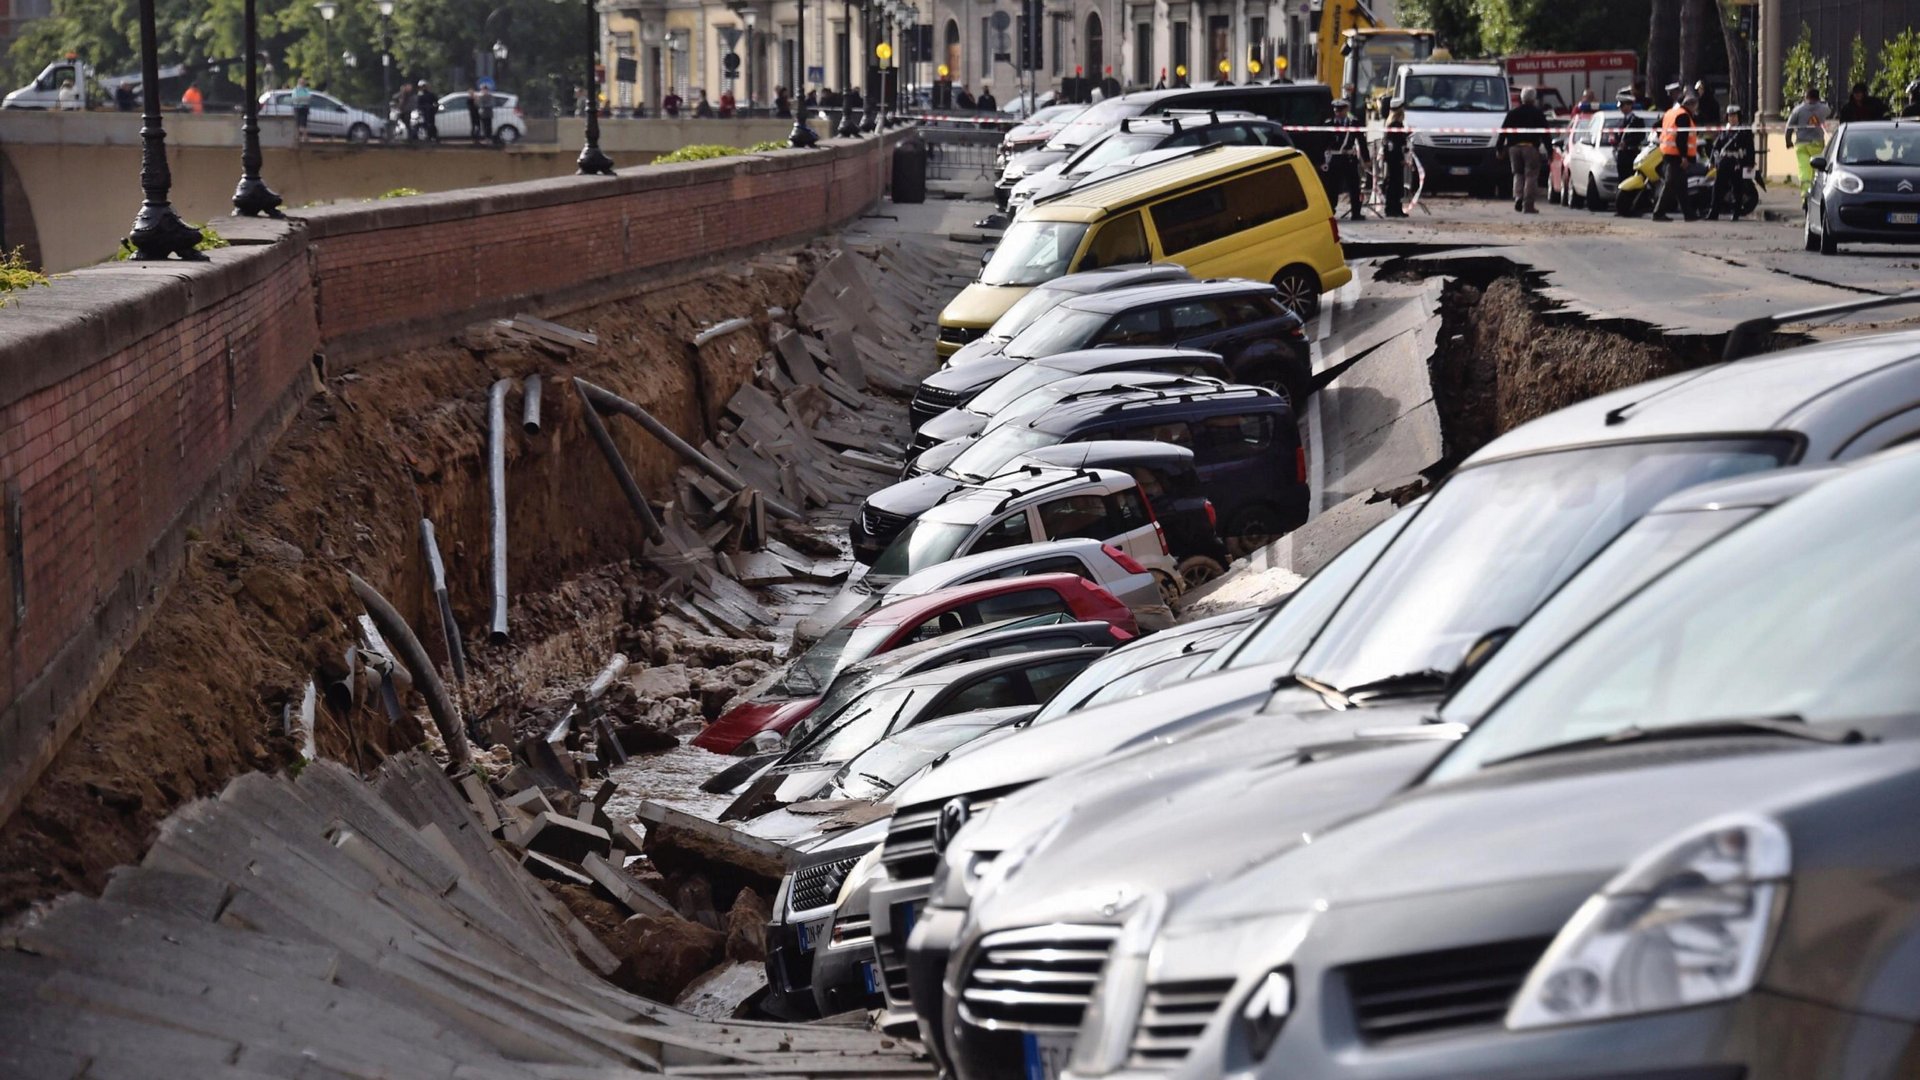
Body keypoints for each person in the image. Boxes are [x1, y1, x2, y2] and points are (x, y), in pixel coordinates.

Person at [1499, 86, 1549, 213]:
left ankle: (1518, 197)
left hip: (1514, 148)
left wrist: (1499, 148)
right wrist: (1550, 151)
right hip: (1530, 148)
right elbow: (1545, 134)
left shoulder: (1512, 113)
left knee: (1518, 174)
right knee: (1531, 176)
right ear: (1534, 99)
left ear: (1521, 98)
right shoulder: (1538, 114)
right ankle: (1528, 205)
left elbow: (1503, 132)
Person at [1653, 88, 1698, 221]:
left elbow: (1656, 126)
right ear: (1690, 104)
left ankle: (1688, 214)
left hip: (1668, 153)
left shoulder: (1670, 113)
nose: (1695, 109)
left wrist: (1663, 139)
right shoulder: (1684, 116)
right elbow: (1681, 139)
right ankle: (1658, 212)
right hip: (1676, 156)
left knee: (1681, 185)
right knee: (1671, 184)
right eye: (1695, 105)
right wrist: (1684, 157)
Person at [1706, 102, 1756, 221]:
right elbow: (1716, 146)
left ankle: (1736, 212)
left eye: (1734, 116)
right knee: (1718, 187)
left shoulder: (1744, 131)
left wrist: (1750, 163)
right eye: (1729, 116)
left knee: (1737, 188)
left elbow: (1750, 148)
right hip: (1724, 162)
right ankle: (1713, 212)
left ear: (1738, 116)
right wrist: (1712, 161)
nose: (1732, 118)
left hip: (1737, 163)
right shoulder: (1724, 131)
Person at [1324, 97, 1368, 220]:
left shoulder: (1353, 123)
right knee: (1332, 187)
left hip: (1349, 158)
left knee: (1354, 187)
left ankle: (1356, 212)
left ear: (1346, 109)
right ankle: (1330, 211)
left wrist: (1366, 159)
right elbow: (1323, 142)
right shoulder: (1329, 123)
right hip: (1335, 159)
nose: (1338, 112)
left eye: (1340, 110)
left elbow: (1361, 141)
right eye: (1336, 110)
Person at [1785, 87, 1830, 204]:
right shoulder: (1824, 109)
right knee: (1817, 170)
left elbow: (1789, 127)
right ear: (1818, 97)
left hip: (1802, 144)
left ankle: (1805, 194)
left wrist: (1788, 141)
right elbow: (1830, 113)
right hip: (1817, 144)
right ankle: (1817, 194)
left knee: (1804, 169)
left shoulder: (1798, 110)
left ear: (1806, 97)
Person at [1612, 86, 1650, 183]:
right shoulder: (1620, 122)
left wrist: (1627, 143)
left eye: (1622, 105)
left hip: (1631, 156)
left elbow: (1640, 136)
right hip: (1621, 158)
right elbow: (1617, 137)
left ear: (1629, 105)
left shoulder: (1637, 121)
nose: (1621, 108)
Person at [1383, 98, 1410, 217]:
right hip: (1395, 158)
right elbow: (1397, 145)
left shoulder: (1390, 123)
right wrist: (1401, 159)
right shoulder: (1396, 125)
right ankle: (1394, 209)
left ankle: (1391, 208)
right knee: (1396, 184)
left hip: (1391, 157)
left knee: (1393, 183)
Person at [291, 76, 313, 142]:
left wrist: (302, 99)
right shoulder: (295, 90)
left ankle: (304, 137)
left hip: (305, 108)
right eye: (301, 82)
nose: (303, 83)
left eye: (303, 82)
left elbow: (309, 98)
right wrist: (304, 98)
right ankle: (297, 137)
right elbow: (295, 98)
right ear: (299, 82)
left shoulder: (306, 90)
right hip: (297, 107)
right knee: (297, 123)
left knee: (304, 123)